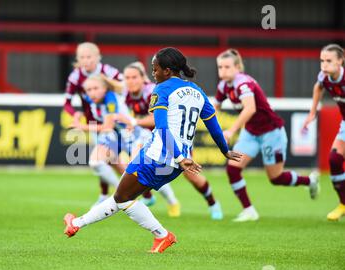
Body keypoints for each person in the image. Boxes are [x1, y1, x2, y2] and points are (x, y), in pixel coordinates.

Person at [63, 47, 241, 253]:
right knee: (123, 197)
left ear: (167, 70)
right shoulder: (197, 91)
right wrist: (224, 150)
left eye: (155, 69)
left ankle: (162, 235)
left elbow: (162, 128)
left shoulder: (162, 90)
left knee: (122, 198)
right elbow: (213, 125)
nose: (153, 73)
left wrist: (180, 156)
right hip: (175, 163)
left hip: (157, 155)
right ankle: (76, 223)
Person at [214, 49, 320, 222]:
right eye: (220, 67)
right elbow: (214, 108)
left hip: (271, 132)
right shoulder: (223, 86)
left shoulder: (243, 83)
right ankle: (249, 211)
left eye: (227, 67)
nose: (223, 71)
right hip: (251, 133)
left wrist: (231, 131)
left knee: (276, 178)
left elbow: (250, 108)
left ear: (238, 67)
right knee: (233, 168)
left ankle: (309, 181)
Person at [120, 61, 224, 220]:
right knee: (137, 164)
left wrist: (135, 122)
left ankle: (212, 202)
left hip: (173, 139)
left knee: (191, 175)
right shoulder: (127, 94)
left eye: (134, 77)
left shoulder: (152, 91)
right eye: (127, 77)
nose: (130, 81)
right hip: (152, 140)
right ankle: (152, 198)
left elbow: (157, 121)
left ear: (143, 78)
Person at [63, 42, 124, 205]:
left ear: (97, 57)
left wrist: (108, 82)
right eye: (82, 57)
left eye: (89, 56)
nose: (86, 60)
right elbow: (67, 103)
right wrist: (76, 114)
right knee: (109, 161)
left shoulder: (107, 71)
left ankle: (122, 194)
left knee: (102, 160)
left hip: (116, 123)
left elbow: (125, 86)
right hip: (95, 121)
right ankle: (117, 194)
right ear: (78, 59)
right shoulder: (75, 76)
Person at [71, 74, 144, 198]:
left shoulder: (111, 99)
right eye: (88, 90)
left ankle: (171, 201)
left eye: (95, 88)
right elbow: (86, 105)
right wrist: (78, 114)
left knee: (140, 172)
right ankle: (122, 195)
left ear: (104, 89)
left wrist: (82, 127)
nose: (92, 93)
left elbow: (107, 127)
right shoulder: (92, 98)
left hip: (131, 135)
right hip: (116, 136)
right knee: (100, 163)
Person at [302, 44, 345, 221]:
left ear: (341, 61)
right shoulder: (324, 77)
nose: (324, 65)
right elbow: (318, 87)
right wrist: (313, 112)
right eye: (322, 61)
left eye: (329, 61)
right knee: (334, 159)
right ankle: (343, 203)